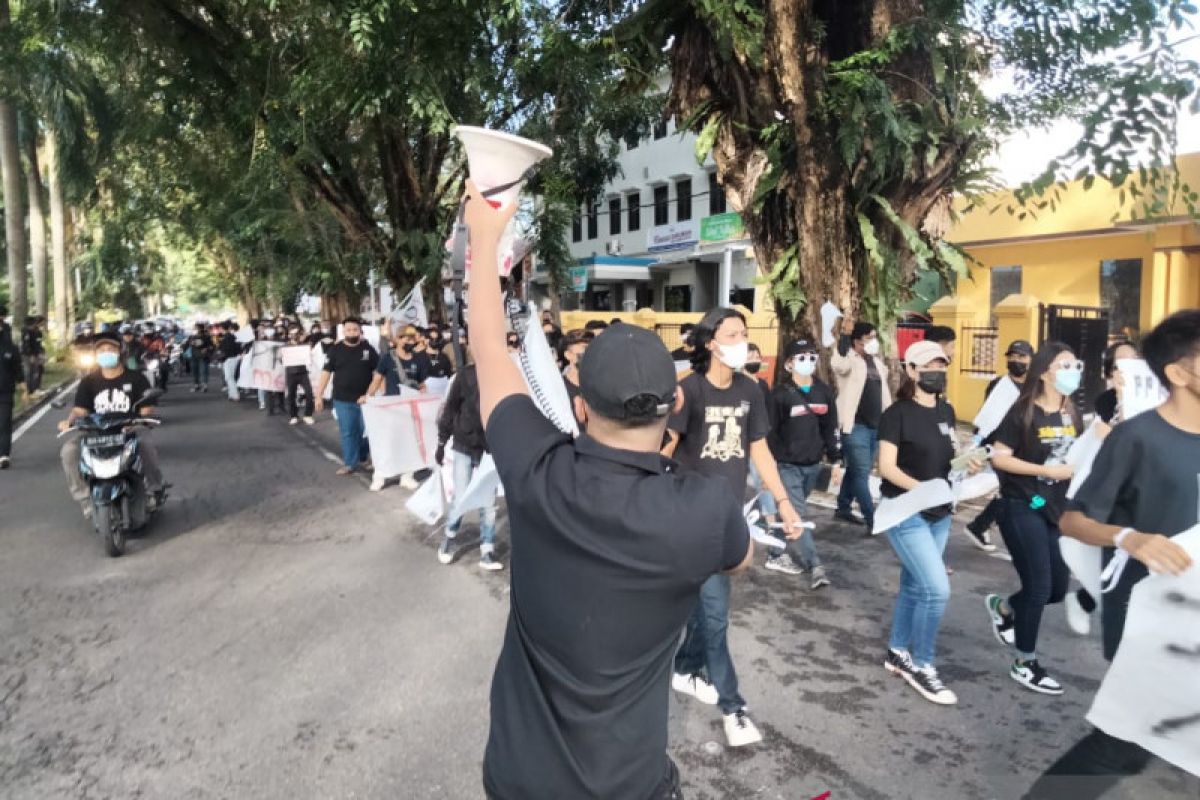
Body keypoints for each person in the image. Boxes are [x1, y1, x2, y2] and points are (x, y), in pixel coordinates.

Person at [461, 181, 751, 800]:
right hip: (630, 784)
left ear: (580, 408)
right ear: (674, 404)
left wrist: (483, 237)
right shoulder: (703, 510)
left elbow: (488, 348)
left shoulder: (538, 472)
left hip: (520, 780)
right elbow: (740, 556)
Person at [1024, 310, 1197, 799]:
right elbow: (1072, 520)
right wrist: (1131, 538)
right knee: (1124, 744)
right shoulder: (1138, 438)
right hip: (1149, 612)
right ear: (1178, 374)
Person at [664, 306, 803, 748]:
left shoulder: (751, 391)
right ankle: (733, 708)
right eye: (734, 333)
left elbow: (759, 449)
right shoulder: (688, 391)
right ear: (711, 343)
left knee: (704, 611)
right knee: (716, 615)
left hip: (731, 519)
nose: (742, 340)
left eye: (744, 333)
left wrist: (783, 501)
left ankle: (686, 668)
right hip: (691, 519)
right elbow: (665, 451)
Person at [877, 341, 979, 705]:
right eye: (929, 366)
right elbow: (887, 468)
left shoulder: (947, 411)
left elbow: (948, 457)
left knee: (916, 585)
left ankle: (897, 651)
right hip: (905, 512)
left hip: (939, 512)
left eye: (942, 364)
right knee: (937, 590)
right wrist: (924, 490)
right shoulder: (897, 414)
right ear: (912, 371)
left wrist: (967, 462)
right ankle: (922, 665)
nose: (937, 371)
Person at [984, 342, 1083, 695]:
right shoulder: (1023, 411)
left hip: (1054, 508)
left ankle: (1005, 606)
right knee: (1040, 586)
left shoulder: (1072, 412)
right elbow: (999, 457)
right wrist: (1045, 470)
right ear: (1044, 372)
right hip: (1023, 503)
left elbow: (1079, 456)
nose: (1073, 370)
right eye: (1064, 364)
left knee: (1056, 590)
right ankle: (1025, 662)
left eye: (1075, 364)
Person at [57, 332, 164, 515]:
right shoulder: (88, 381)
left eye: (110, 349)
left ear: (120, 351)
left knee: (145, 444)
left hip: (129, 428)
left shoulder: (136, 378)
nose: (106, 353)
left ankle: (153, 490)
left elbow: (147, 408)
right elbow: (80, 409)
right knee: (69, 451)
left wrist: (140, 421)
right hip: (96, 431)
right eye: (102, 350)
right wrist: (69, 421)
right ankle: (85, 500)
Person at [765, 338, 840, 588]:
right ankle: (815, 565)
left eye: (811, 356)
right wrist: (771, 468)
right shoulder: (779, 395)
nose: (807, 361)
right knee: (798, 515)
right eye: (801, 357)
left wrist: (837, 459)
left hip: (813, 464)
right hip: (787, 465)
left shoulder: (824, 392)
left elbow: (830, 428)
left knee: (792, 512)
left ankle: (775, 550)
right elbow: (770, 432)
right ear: (789, 364)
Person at [966, 339, 1035, 549]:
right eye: (1012, 356)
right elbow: (989, 418)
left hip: (1021, 449)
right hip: (999, 447)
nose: (1016, 360)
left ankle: (981, 525)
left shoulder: (1034, 386)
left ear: (1031, 360)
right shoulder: (1000, 385)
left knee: (1015, 492)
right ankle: (982, 525)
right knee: (1013, 491)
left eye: (1021, 356)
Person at [435, 360, 501, 570]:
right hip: (464, 443)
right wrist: (441, 441)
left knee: (488, 502)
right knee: (461, 497)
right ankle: (449, 540)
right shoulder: (464, 376)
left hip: (490, 447)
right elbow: (451, 408)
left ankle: (487, 550)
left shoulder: (503, 375)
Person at [831, 321, 892, 529]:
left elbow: (884, 393)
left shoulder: (876, 362)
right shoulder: (849, 359)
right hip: (855, 426)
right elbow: (838, 364)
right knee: (862, 472)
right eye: (869, 338)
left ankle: (843, 508)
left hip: (876, 426)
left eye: (874, 337)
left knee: (855, 471)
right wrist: (844, 338)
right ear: (857, 341)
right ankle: (871, 517)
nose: (873, 342)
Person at [315, 318, 378, 475]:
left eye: (355, 330)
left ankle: (363, 457)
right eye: (348, 330)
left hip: (366, 399)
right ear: (343, 332)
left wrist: (372, 393)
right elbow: (326, 373)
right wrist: (319, 395)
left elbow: (377, 373)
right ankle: (350, 463)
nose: (352, 333)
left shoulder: (368, 349)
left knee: (365, 431)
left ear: (360, 331)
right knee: (348, 432)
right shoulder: (335, 350)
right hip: (342, 399)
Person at [1, 311, 27, 469]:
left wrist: (24, 388)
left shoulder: (10, 348)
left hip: (5, 391)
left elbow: (18, 369)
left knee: (4, 423)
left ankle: (3, 455)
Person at [1093, 340, 1139, 425]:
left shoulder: (1157, 394)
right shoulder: (1105, 400)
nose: (1131, 365)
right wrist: (1121, 396)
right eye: (1123, 362)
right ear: (1111, 371)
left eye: (1135, 358)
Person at [284, 328, 316, 425]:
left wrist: (309, 351)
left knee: (309, 394)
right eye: (292, 334)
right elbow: (281, 360)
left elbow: (310, 357)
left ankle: (308, 415)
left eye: (296, 334)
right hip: (290, 373)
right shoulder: (285, 346)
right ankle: (294, 416)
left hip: (303, 373)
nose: (294, 336)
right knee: (291, 395)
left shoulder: (304, 346)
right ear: (289, 335)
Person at [20, 315, 45, 395]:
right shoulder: (26, 331)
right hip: (28, 355)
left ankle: (35, 388)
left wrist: (41, 352)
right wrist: (31, 355)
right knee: (29, 372)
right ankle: (29, 390)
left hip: (36, 354)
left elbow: (38, 344)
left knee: (36, 371)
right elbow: (27, 344)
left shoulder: (36, 331)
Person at [218, 322, 242, 401]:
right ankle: (231, 394)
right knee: (229, 377)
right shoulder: (232, 336)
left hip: (229, 358)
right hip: (233, 357)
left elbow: (224, 349)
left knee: (229, 377)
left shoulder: (226, 338)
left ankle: (235, 394)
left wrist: (221, 357)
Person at [187, 323, 213, 392]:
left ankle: (205, 386)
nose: (194, 330)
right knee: (195, 371)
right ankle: (196, 385)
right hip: (194, 356)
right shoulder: (192, 336)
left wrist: (206, 349)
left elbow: (212, 346)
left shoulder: (206, 337)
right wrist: (190, 343)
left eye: (195, 328)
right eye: (194, 328)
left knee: (204, 371)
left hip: (203, 356)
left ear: (200, 329)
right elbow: (187, 344)